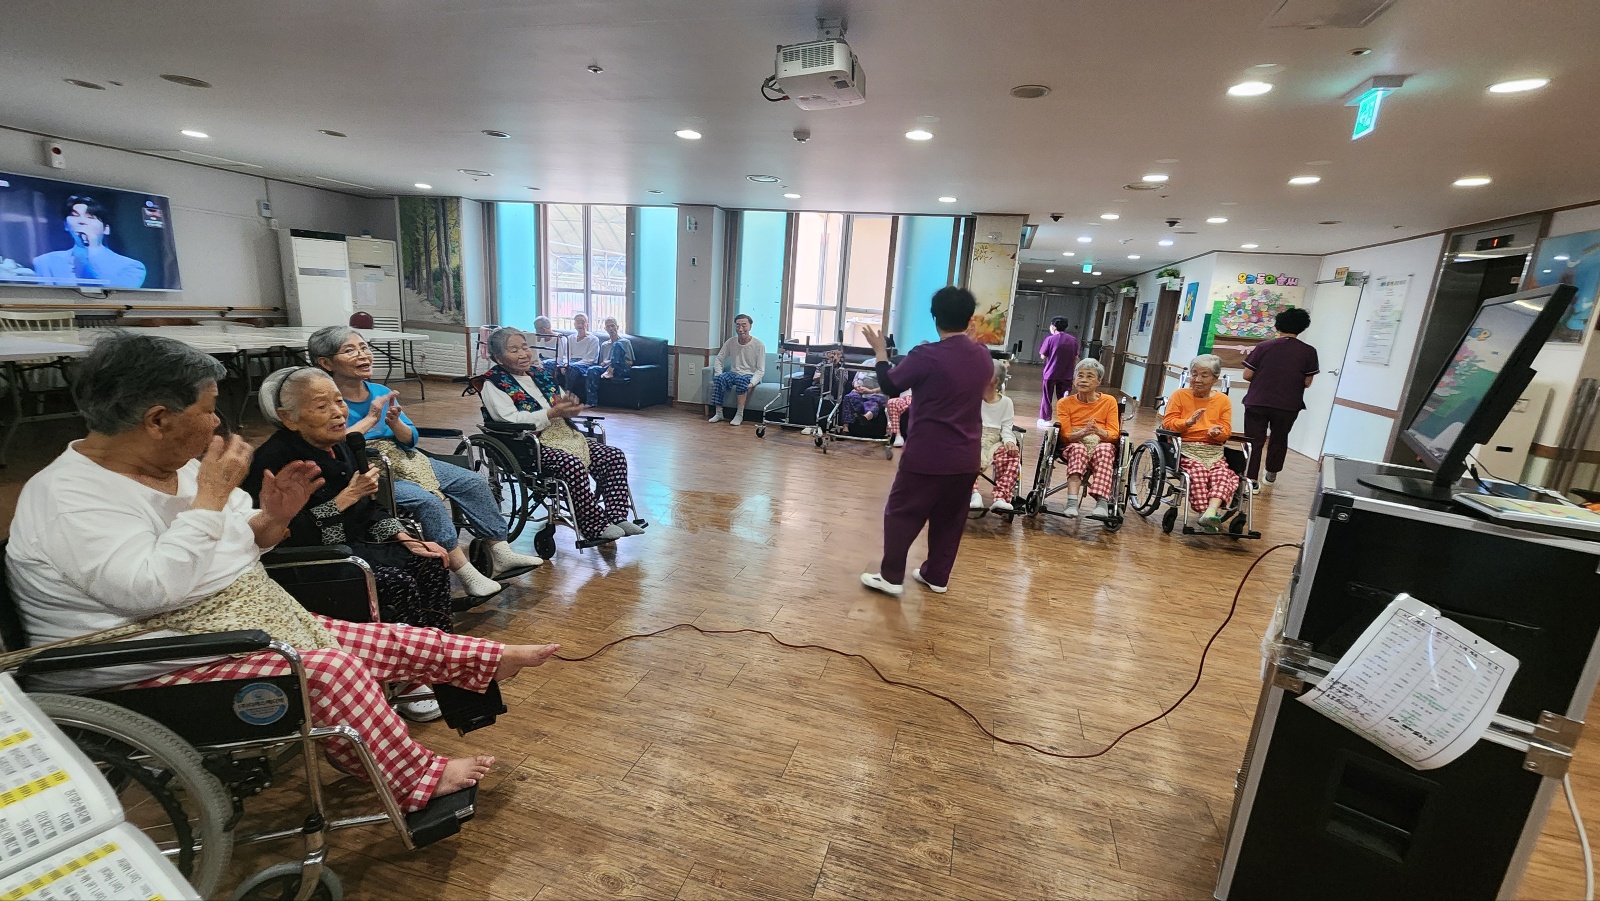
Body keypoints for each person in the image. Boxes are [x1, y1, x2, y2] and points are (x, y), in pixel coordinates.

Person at [4, 331, 561, 811]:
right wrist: (213, 502)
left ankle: (480, 662)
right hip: (136, 661)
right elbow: (150, 591)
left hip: (214, 620)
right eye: (208, 409)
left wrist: (273, 518)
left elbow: (248, 538)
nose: (218, 422)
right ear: (158, 420)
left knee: (375, 637)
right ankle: (413, 777)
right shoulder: (71, 499)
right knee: (332, 668)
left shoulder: (176, 468)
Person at [245, 367, 456, 722]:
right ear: (289, 418)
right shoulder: (274, 462)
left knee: (431, 560)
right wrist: (344, 499)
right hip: (311, 561)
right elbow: (285, 532)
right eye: (321, 406)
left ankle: (439, 659)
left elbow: (369, 508)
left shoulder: (341, 446)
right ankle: (406, 680)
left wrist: (406, 538)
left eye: (339, 402)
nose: (338, 413)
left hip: (355, 544)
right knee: (395, 582)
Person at [308, 326, 542, 601]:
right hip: (366, 467)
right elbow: (331, 446)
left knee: (472, 481)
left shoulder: (380, 391)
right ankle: (466, 573)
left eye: (364, 348)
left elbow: (410, 438)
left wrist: (395, 425)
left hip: (404, 456)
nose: (363, 355)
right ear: (325, 363)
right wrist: (371, 420)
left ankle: (500, 551)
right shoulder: (326, 402)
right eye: (350, 350)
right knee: (425, 501)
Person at [859, 287, 993, 596]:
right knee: (950, 519)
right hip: (966, 456)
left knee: (901, 512)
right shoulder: (983, 356)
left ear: (935, 317)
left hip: (928, 454)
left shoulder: (926, 355)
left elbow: (890, 385)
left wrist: (880, 352)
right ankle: (937, 575)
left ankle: (891, 577)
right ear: (970, 319)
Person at [479, 327, 644, 543]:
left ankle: (617, 517)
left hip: (564, 434)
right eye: (514, 350)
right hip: (529, 443)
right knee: (571, 464)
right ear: (499, 358)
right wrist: (552, 413)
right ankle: (593, 526)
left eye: (525, 347)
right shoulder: (493, 383)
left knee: (613, 456)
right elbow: (509, 420)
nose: (523, 354)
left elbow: (559, 406)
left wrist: (570, 409)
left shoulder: (539, 375)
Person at [1240, 308, 1319, 492]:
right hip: (1287, 404)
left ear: (1278, 325)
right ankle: (1271, 473)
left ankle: (1251, 482)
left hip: (1258, 401)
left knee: (1254, 441)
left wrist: (1264, 379)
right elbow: (1307, 382)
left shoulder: (1263, 347)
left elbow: (1247, 374)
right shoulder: (1309, 352)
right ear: (1303, 327)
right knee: (1279, 438)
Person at [1161, 354, 1238, 532]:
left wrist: (1217, 433)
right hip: (1186, 448)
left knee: (1224, 475)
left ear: (1215, 379)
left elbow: (1226, 430)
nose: (1197, 379)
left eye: (1204, 375)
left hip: (1213, 450)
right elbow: (1168, 423)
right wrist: (1187, 423)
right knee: (1199, 472)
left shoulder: (1222, 400)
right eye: (1194, 374)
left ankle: (1210, 511)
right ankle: (1205, 513)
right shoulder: (1180, 395)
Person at [1052, 358, 1121, 519]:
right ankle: (1072, 503)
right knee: (1078, 449)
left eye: (1089, 376)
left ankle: (1102, 503)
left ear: (1098, 381)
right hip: (1074, 443)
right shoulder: (1064, 403)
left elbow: (1114, 434)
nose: (1083, 380)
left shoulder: (1109, 401)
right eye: (1080, 376)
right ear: (1074, 380)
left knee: (1105, 450)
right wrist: (1083, 432)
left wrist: (1097, 431)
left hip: (1101, 442)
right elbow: (1065, 435)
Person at [31, 196, 147, 289]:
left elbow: (116, 295)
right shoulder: (44, 262)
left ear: (106, 229)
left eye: (90, 217)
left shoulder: (131, 267)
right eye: (75, 216)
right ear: (66, 225)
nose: (82, 221)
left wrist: (90, 249)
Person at [973, 360, 1021, 514]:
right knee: (966, 452)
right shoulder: (972, 399)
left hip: (995, 440)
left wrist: (1010, 442)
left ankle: (1001, 497)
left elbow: (1006, 428)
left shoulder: (1006, 402)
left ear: (996, 381)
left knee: (1012, 455)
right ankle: (973, 494)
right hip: (973, 437)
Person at [708, 314, 766, 427]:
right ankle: (719, 413)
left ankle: (739, 414)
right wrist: (718, 373)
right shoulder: (731, 342)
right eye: (738, 325)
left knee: (741, 380)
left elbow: (760, 369)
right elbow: (719, 358)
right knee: (719, 378)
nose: (740, 329)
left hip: (750, 375)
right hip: (733, 373)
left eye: (744, 325)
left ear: (750, 326)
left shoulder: (759, 345)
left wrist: (752, 383)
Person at [1036, 317, 1079, 428]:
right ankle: (1064, 419)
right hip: (1067, 373)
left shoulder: (1050, 339)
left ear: (1053, 327)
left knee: (1047, 397)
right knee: (1064, 399)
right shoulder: (1073, 340)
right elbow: (1075, 358)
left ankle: (1045, 419)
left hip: (1050, 373)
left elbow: (1043, 356)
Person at [586, 316, 635, 402]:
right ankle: (591, 401)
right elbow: (601, 363)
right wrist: (604, 363)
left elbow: (630, 362)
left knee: (617, 344)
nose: (611, 328)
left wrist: (610, 362)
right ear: (605, 329)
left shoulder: (625, 342)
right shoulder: (604, 345)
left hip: (621, 368)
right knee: (592, 370)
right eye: (608, 326)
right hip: (606, 370)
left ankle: (611, 370)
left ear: (617, 327)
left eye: (612, 326)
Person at [563, 313, 603, 401]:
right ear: (574, 324)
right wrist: (566, 363)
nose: (580, 325)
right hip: (571, 362)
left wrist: (572, 365)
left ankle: (567, 392)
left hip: (586, 364)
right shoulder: (570, 338)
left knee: (572, 368)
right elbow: (566, 354)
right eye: (578, 322)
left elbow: (590, 359)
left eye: (582, 322)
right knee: (556, 366)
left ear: (587, 324)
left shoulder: (594, 339)